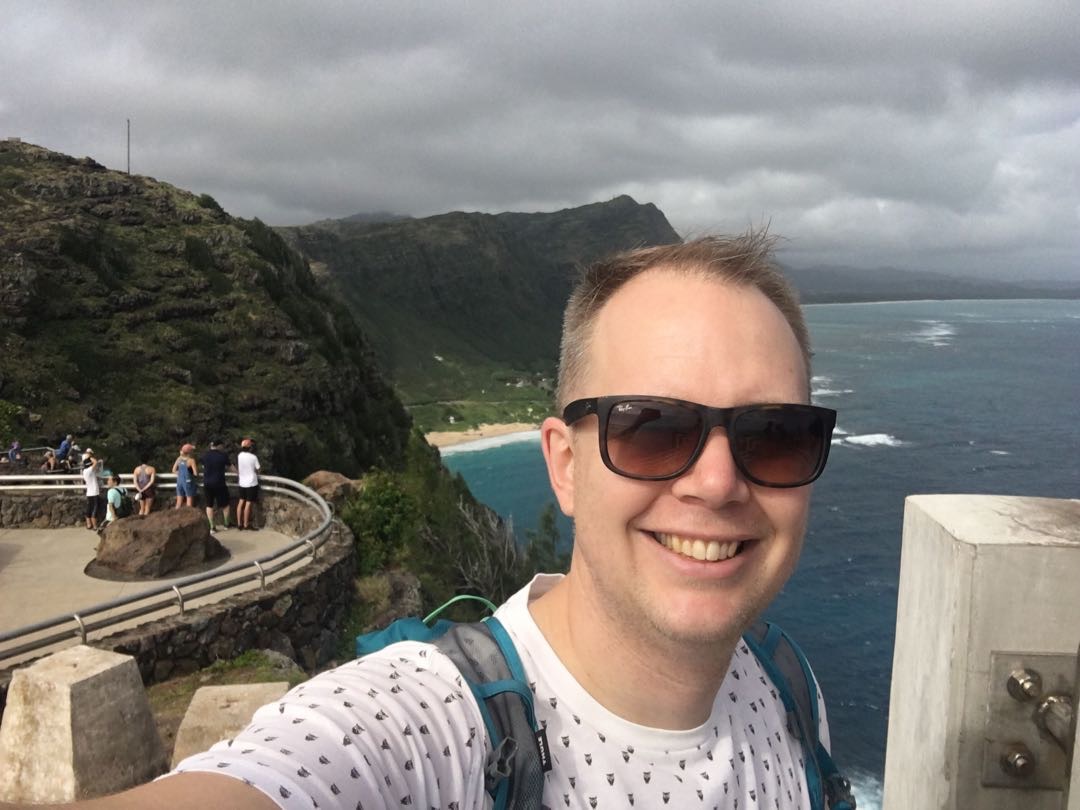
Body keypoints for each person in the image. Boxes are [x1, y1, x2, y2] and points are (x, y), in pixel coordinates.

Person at [16, 233, 840, 809]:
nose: (718, 482)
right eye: (652, 428)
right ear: (564, 464)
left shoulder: (788, 689)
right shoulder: (425, 728)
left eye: (775, 435)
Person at [201, 439, 234, 531]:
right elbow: (231, 467)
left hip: (207, 483)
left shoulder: (204, 455)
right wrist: (239, 473)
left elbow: (203, 466)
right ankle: (226, 524)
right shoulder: (223, 455)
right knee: (225, 505)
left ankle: (212, 527)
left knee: (209, 505)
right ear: (219, 446)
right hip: (220, 483)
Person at [235, 437, 260, 530]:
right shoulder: (253, 457)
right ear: (250, 447)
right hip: (251, 483)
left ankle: (239, 524)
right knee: (248, 504)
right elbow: (258, 469)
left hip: (242, 482)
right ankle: (246, 524)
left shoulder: (239, 456)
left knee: (241, 502)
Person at [172, 443, 198, 508]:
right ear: (190, 452)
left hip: (179, 481)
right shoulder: (191, 460)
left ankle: (176, 513)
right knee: (189, 502)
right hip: (188, 482)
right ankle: (189, 514)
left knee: (178, 503)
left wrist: (180, 473)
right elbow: (195, 473)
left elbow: (173, 470)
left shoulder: (178, 459)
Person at [81, 455, 102, 531]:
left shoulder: (85, 471)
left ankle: (89, 525)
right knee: (94, 509)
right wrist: (90, 457)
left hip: (89, 493)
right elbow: (95, 462)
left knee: (89, 509)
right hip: (94, 492)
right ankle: (95, 526)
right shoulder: (89, 470)